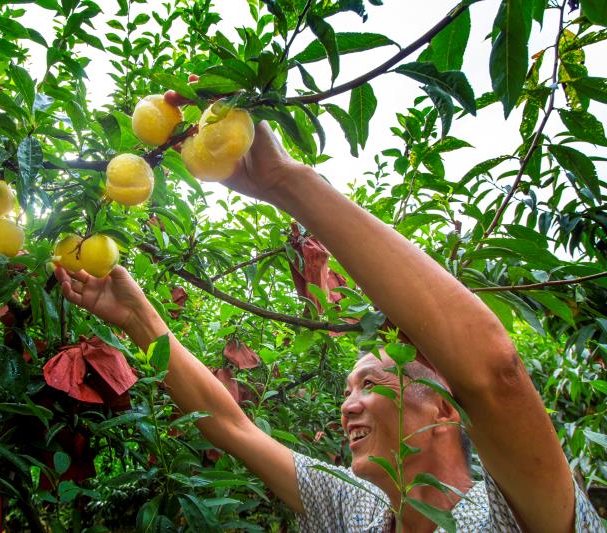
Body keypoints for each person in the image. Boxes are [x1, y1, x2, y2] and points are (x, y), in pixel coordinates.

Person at [54, 122, 604, 532]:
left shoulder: (508, 513)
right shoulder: (358, 508)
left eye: (371, 384)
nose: (348, 406)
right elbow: (232, 425)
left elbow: (496, 375)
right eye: (346, 390)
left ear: (444, 408)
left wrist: (285, 182)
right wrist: (136, 316)